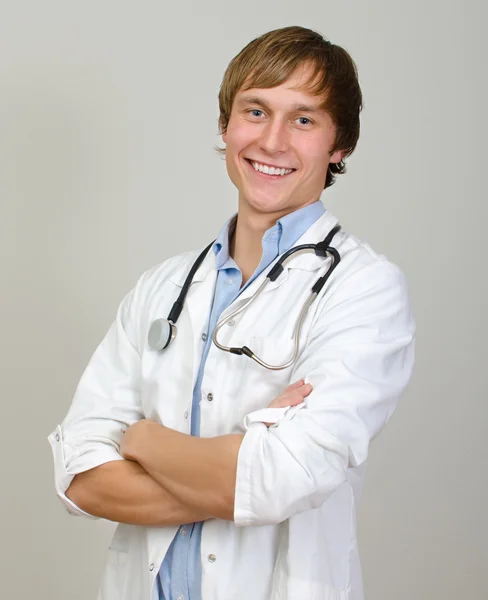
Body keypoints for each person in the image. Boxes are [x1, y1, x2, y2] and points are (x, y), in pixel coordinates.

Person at [48, 25, 415, 600]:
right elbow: (81, 477)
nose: (272, 141)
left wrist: (143, 440)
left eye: (303, 119)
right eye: (255, 110)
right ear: (226, 125)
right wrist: (240, 463)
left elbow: (287, 476)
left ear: (339, 144)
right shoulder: (161, 286)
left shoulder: (364, 289)